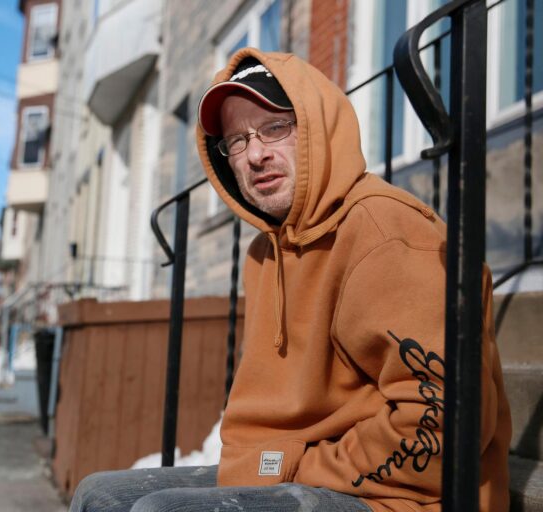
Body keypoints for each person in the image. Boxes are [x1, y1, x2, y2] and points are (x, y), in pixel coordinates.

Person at [70, 48, 511, 512]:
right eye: (236, 141)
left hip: (401, 500)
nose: (255, 154)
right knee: (100, 494)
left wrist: (294, 465)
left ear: (317, 129)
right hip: (298, 471)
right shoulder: (265, 253)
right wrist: (276, 464)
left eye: (275, 127)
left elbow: (444, 423)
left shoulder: (385, 232)